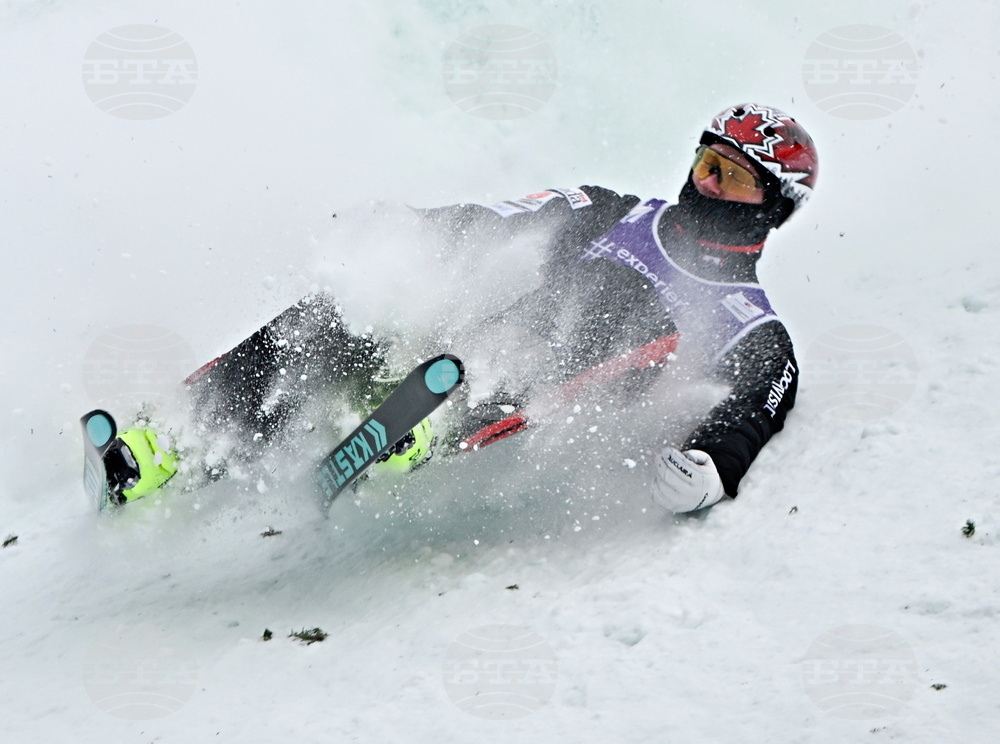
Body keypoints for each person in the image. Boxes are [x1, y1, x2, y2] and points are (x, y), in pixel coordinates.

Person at [104, 102, 817, 514]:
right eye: (704, 164)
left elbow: (759, 403)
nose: (707, 185)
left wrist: (715, 467)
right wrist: (410, 236)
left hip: (521, 389)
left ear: (774, 208)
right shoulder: (613, 211)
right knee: (344, 315)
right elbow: (496, 221)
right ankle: (169, 443)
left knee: (633, 310)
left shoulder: (749, 322)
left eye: (732, 178)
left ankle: (421, 423)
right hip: (451, 350)